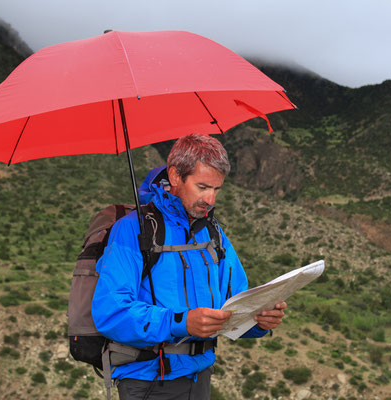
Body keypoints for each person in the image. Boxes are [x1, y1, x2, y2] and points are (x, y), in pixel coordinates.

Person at [91, 133, 287, 399]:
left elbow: (234, 304)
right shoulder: (133, 231)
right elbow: (110, 313)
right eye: (203, 187)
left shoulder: (213, 234)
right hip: (148, 381)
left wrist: (259, 321)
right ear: (174, 176)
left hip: (200, 378)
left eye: (217, 189)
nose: (211, 200)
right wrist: (180, 323)